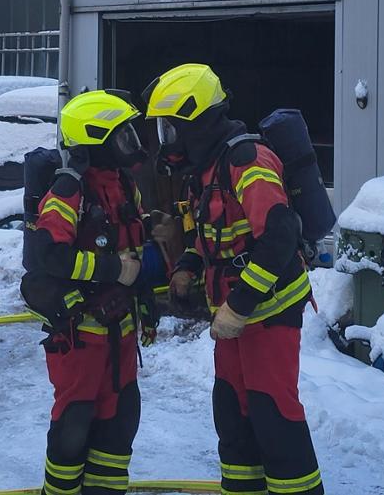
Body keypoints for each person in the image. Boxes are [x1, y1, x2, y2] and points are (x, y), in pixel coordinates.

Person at [144, 64, 324, 495]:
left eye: (171, 128)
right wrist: (188, 266)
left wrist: (240, 306)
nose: (168, 140)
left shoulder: (248, 160)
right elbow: (213, 238)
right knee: (233, 411)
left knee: (273, 413)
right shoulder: (206, 171)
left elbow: (279, 238)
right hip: (231, 319)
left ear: (196, 121)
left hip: (269, 313)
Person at [22, 89, 158, 495]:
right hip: (82, 335)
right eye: (122, 135)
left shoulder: (123, 186)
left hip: (122, 334)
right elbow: (51, 255)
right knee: (73, 427)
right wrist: (114, 269)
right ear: (96, 139)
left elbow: (134, 247)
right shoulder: (69, 191)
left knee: (119, 424)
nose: (130, 143)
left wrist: (147, 303)